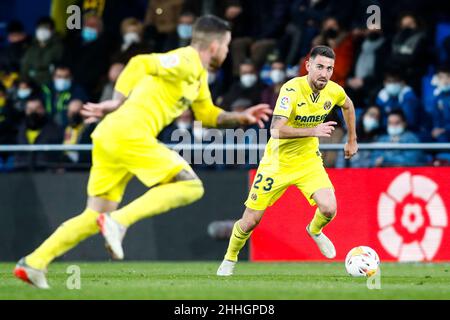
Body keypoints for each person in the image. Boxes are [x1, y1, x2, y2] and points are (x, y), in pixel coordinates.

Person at [14, 15, 272, 289]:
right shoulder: (185, 60)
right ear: (214, 45)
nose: (227, 51)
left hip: (110, 137)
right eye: (227, 45)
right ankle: (118, 222)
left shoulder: (197, 77)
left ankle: (34, 262)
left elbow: (207, 113)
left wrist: (241, 117)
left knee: (92, 216)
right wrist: (117, 100)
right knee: (191, 186)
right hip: (129, 133)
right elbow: (140, 63)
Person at [217, 45, 358, 276]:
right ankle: (230, 259)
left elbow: (348, 105)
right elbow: (276, 130)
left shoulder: (333, 90)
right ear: (308, 66)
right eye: (320, 67)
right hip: (277, 162)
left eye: (329, 69)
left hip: (307, 161)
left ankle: (314, 230)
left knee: (329, 208)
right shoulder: (291, 89)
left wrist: (352, 139)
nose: (324, 73)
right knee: (251, 220)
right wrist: (313, 130)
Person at [14, 96, 63, 170]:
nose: (33, 112)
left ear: (44, 109)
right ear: (25, 111)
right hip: (21, 173)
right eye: (30, 109)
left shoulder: (55, 130)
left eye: (37, 108)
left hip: (47, 173)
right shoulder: (17, 130)